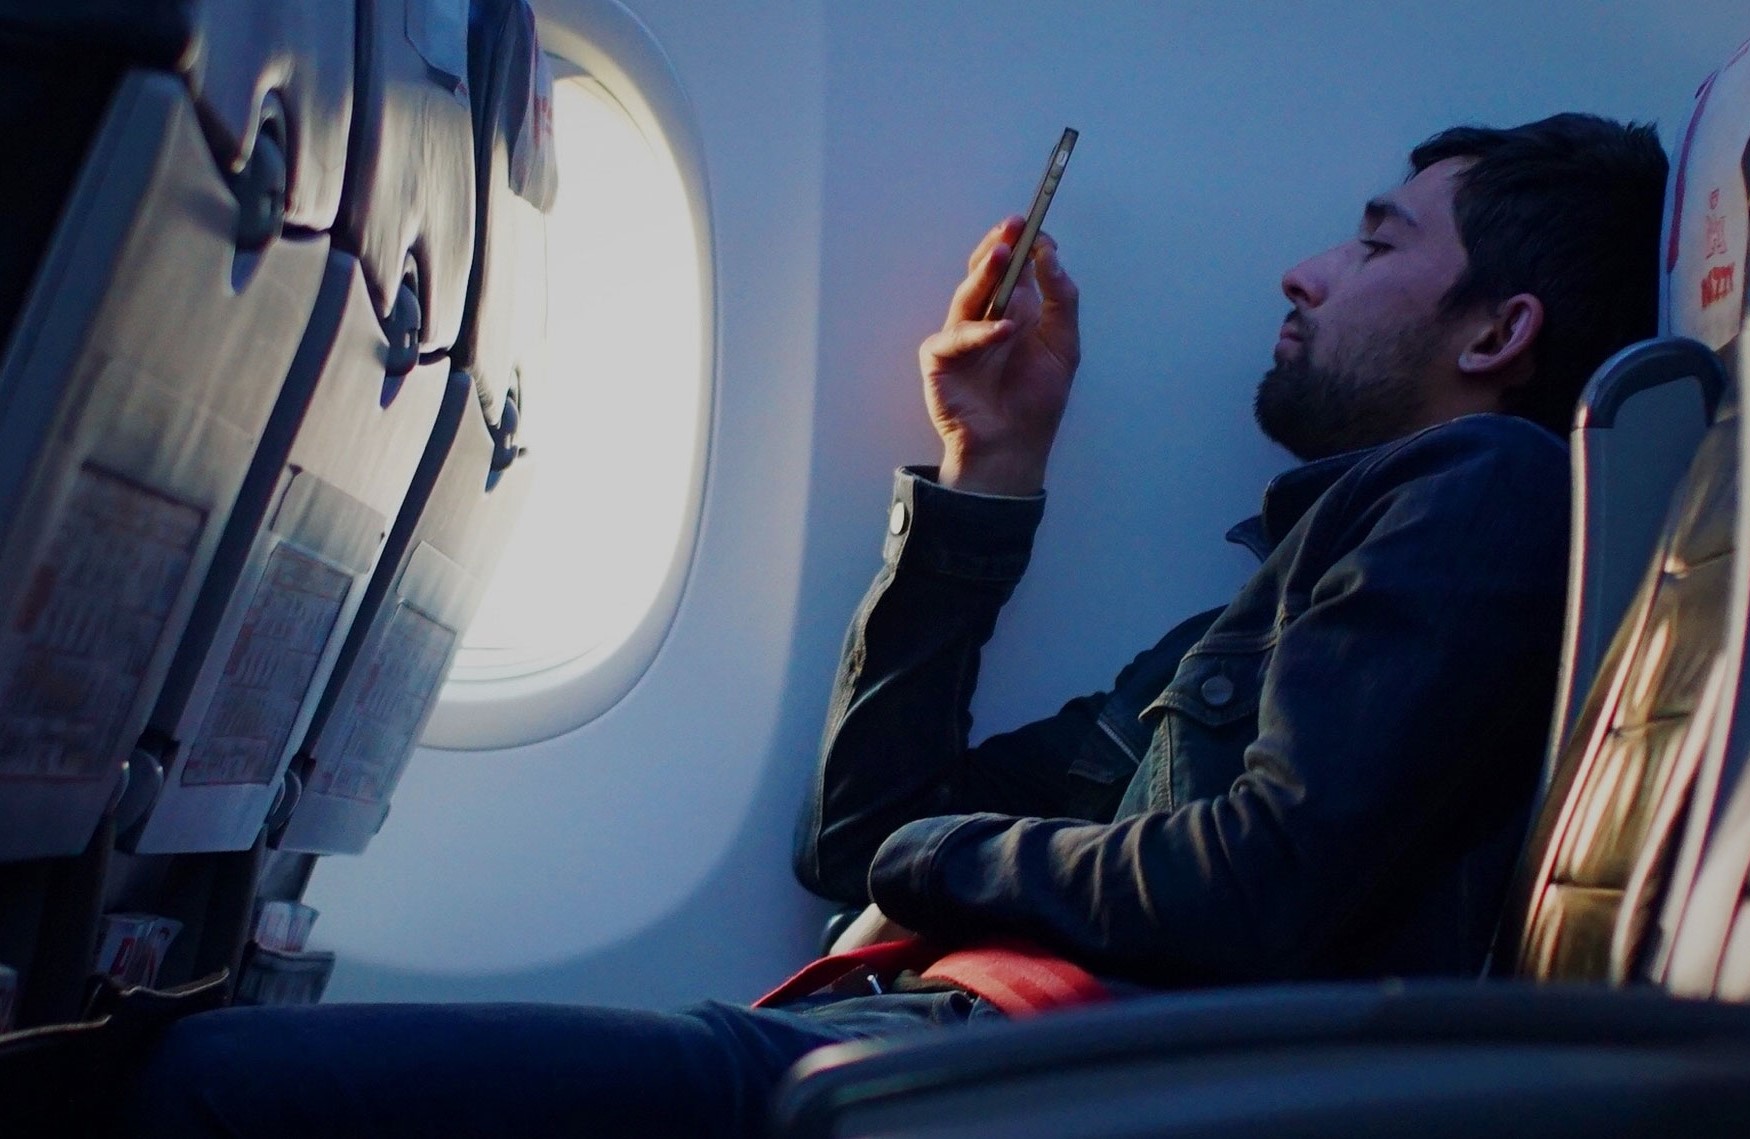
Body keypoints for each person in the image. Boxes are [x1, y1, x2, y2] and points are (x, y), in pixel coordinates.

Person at [118, 112, 1667, 1138]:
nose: (1309, 267)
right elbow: (862, 825)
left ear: (1500, 330)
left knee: (208, 1088)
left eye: (1380, 241)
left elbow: (1254, 888)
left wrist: (932, 871)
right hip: (917, 1039)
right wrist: (989, 465)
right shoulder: (1256, 612)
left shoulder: (1488, 483)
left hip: (985, 1071)